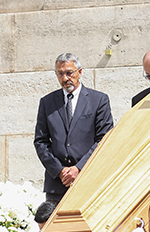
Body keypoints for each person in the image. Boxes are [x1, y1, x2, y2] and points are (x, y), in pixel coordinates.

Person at [34, 53, 114, 203]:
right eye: (60, 73)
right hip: (57, 186)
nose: (65, 78)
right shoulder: (47, 102)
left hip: (89, 181)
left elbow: (104, 139)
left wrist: (79, 168)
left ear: (80, 72)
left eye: (69, 73)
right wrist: (60, 170)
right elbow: (41, 142)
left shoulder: (98, 100)